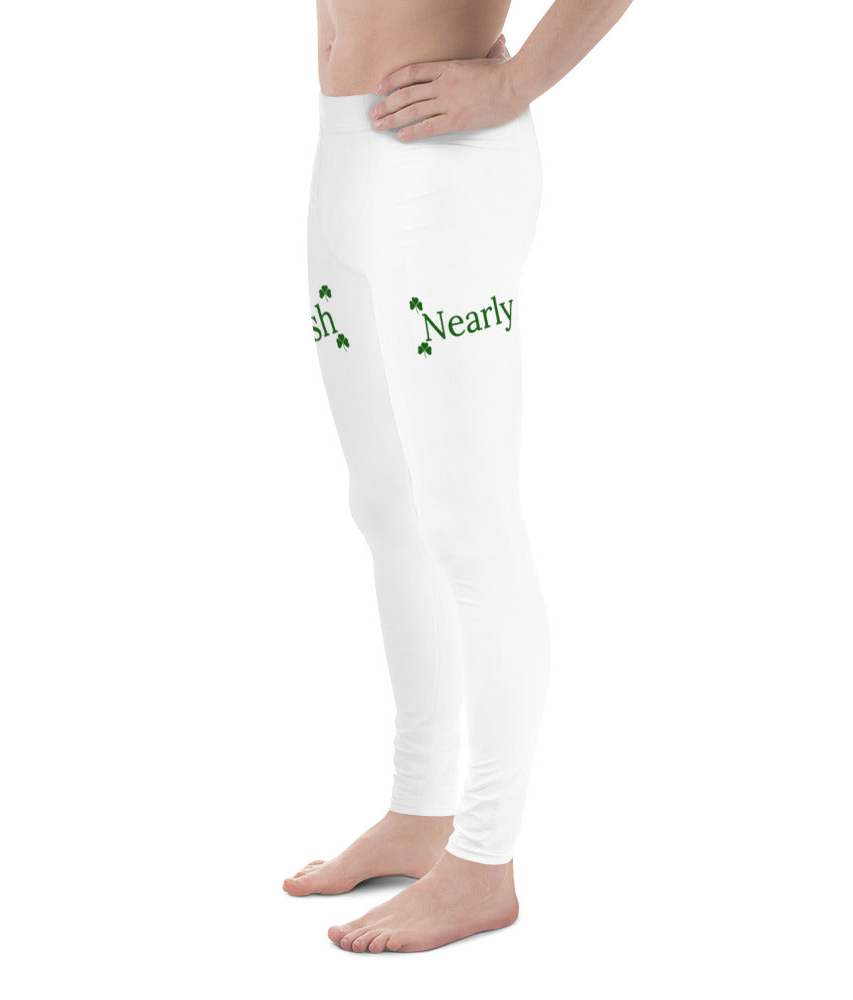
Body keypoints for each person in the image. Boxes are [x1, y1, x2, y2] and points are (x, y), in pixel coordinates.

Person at [286, 0, 635, 953]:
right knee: (384, 508)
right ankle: (419, 811)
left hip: (441, 172)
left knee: (466, 524)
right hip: (343, 153)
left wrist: (516, 82)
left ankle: (483, 862)